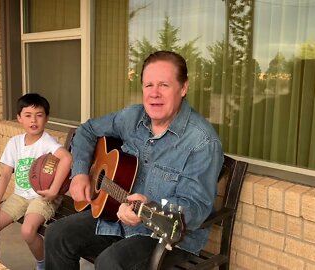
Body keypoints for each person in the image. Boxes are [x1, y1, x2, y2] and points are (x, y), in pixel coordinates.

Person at [44, 51, 224, 269]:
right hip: (116, 213)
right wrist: (80, 172)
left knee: (109, 263)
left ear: (183, 88)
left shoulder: (201, 141)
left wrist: (149, 207)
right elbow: (87, 130)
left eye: (164, 85)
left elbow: (195, 206)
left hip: (165, 236)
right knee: (57, 234)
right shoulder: (132, 117)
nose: (154, 93)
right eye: (148, 85)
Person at [0, 93, 72, 270]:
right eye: (28, 115)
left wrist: (53, 191)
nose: (33, 120)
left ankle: (43, 264)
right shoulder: (14, 143)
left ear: (46, 119)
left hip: (42, 197)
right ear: (19, 118)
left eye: (39, 115)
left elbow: (67, 158)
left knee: (28, 231)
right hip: (20, 196)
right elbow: (5, 175)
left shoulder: (47, 142)